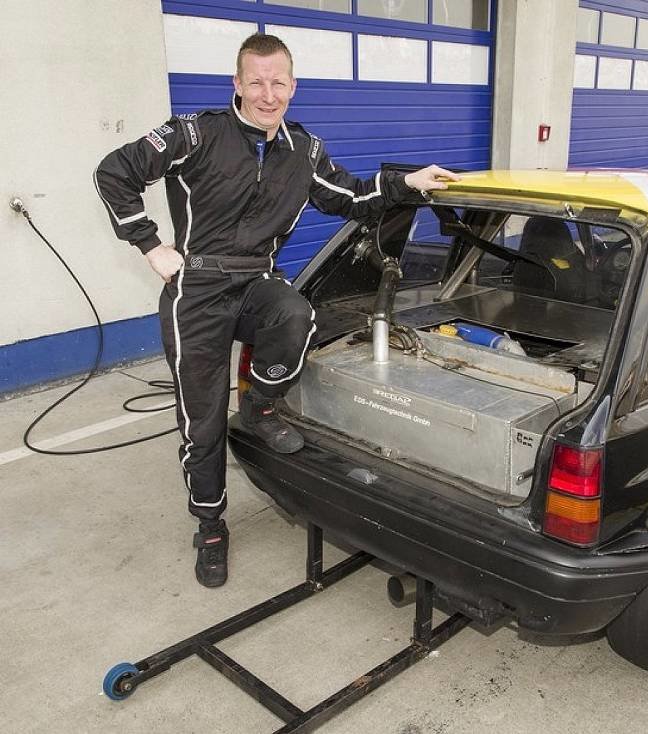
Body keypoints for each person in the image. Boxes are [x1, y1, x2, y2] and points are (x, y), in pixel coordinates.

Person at [94, 33, 458, 588]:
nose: (268, 94)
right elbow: (113, 172)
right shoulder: (195, 133)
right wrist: (150, 244)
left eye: (278, 82)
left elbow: (351, 197)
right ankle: (211, 526)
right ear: (237, 84)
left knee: (296, 314)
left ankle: (262, 406)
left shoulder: (303, 150)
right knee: (203, 422)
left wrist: (406, 183)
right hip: (196, 289)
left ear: (293, 86)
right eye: (256, 81)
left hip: (257, 280)